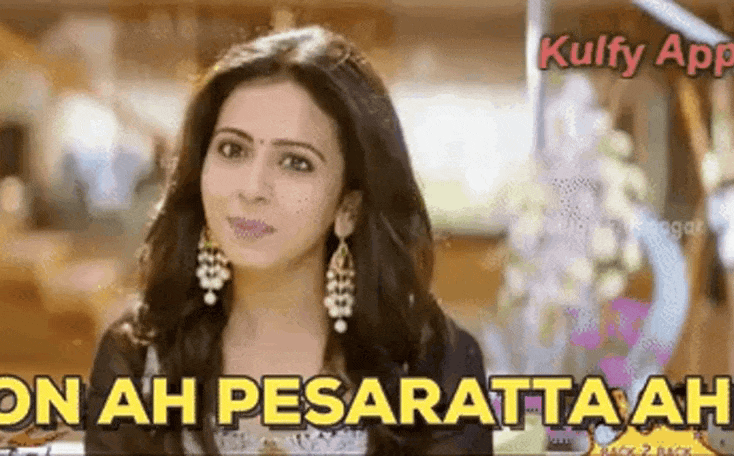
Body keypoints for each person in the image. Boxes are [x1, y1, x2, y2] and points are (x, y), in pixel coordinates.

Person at [86, 26, 493, 455]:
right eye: (233, 150)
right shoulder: (136, 358)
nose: (252, 188)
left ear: (349, 207)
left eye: (295, 162)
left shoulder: (433, 364)